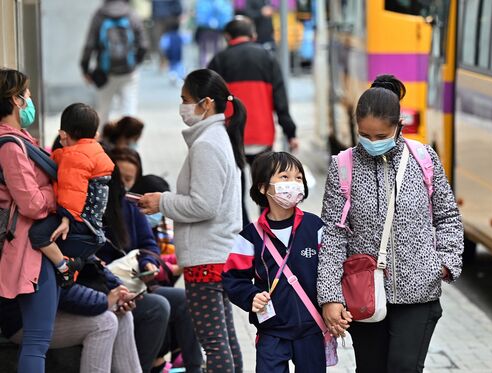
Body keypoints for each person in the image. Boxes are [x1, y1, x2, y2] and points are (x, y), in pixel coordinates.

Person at [318, 75, 464, 373]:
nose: (372, 143)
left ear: (399, 126)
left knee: (403, 367)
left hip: (418, 292)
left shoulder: (424, 158)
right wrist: (330, 296)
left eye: (380, 135)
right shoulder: (343, 166)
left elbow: (447, 215)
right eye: (365, 135)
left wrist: (444, 264)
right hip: (363, 294)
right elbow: (333, 235)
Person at [138, 68, 245, 373]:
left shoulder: (207, 145)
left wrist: (162, 201)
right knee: (225, 338)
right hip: (218, 255)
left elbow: (204, 205)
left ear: (206, 103)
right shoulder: (217, 137)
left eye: (185, 100)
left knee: (213, 342)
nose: (182, 106)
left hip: (206, 259)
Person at [222, 151, 326, 372]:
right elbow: (233, 278)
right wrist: (251, 297)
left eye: (299, 178)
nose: (294, 184)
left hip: (312, 328)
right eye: (284, 177)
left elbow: (331, 269)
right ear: (263, 187)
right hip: (271, 330)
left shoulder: (315, 227)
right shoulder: (250, 236)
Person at [99, 165, 203, 373]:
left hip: (137, 285)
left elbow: (149, 246)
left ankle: (194, 368)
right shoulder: (84, 207)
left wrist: (149, 262)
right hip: (107, 288)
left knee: (185, 299)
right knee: (158, 306)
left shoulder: (128, 207)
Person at [208, 16, 298, 226]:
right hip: (262, 135)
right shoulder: (268, 58)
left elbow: (210, 101)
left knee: (235, 188)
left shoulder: (219, 60)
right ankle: (269, 228)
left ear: (227, 37)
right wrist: (290, 132)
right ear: (253, 36)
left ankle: (243, 230)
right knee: (265, 186)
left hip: (232, 136)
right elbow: (280, 100)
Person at [0, 68, 59, 373]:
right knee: (36, 341)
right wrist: (54, 194)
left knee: (38, 340)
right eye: (27, 93)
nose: (31, 99)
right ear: (15, 99)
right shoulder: (9, 146)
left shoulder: (20, 140)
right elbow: (32, 205)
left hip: (34, 246)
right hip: (26, 250)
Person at [28, 103, 115, 287]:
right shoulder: (93, 151)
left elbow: (72, 190)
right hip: (90, 220)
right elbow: (60, 159)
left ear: (62, 135)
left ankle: (65, 267)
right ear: (95, 135)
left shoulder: (75, 157)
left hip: (77, 219)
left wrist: (66, 219)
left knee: (38, 235)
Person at [0, 269, 143, 373]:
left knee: (122, 314)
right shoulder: (43, 233)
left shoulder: (70, 229)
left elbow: (92, 261)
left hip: (56, 306)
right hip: (22, 317)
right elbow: (58, 286)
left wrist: (119, 289)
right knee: (105, 322)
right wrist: (103, 301)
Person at [80, 0, 149, 125]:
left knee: (103, 111)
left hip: (105, 72)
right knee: (129, 110)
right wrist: (134, 62)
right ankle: (128, 142)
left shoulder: (99, 15)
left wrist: (85, 69)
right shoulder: (131, 13)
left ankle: (104, 143)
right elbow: (143, 45)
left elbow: (89, 45)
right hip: (129, 72)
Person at [195, 0, 234, 67]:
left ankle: (210, 68)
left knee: (214, 50)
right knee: (208, 50)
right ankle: (207, 68)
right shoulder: (221, 2)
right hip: (208, 28)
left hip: (215, 29)